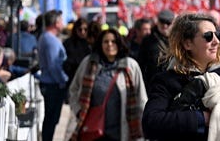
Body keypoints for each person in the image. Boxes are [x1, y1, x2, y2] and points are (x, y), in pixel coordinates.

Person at [142, 13, 220, 140]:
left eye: (218, 34)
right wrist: (201, 118)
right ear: (187, 44)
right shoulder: (166, 81)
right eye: (208, 36)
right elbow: (151, 123)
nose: (216, 41)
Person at [69, 27, 147, 140]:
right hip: (94, 130)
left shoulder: (130, 66)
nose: (109, 45)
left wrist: (142, 128)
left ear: (119, 44)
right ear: (100, 44)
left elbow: (141, 98)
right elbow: (74, 89)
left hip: (122, 131)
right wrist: (78, 111)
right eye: (106, 41)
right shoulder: (89, 64)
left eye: (113, 41)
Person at [37, 9, 68, 141]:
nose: (63, 23)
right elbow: (53, 65)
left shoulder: (49, 38)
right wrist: (63, 80)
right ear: (56, 23)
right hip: (53, 85)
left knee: (52, 119)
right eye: (61, 20)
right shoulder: (50, 40)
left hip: (52, 83)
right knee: (51, 118)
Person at [138, 9, 174, 90]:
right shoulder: (148, 40)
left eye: (168, 23)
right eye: (162, 22)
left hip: (173, 82)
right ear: (157, 22)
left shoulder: (178, 40)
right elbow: (141, 64)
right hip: (154, 84)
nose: (165, 26)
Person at [63, 18, 92, 90]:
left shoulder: (91, 43)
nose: (83, 32)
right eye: (80, 29)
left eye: (85, 29)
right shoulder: (69, 43)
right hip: (73, 78)